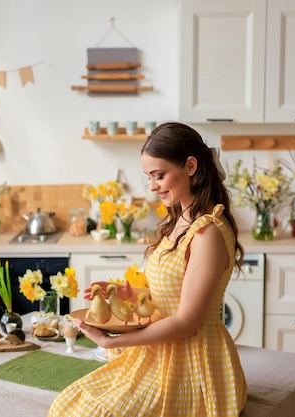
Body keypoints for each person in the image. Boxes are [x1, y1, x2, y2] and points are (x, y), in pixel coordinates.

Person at [48, 122, 247, 416]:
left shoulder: (208, 232)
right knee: (68, 404)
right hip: (162, 350)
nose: (152, 186)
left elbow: (187, 323)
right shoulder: (180, 218)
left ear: (191, 166)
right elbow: (172, 294)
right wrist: (127, 295)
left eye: (159, 175)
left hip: (195, 363)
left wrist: (114, 340)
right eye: (149, 177)